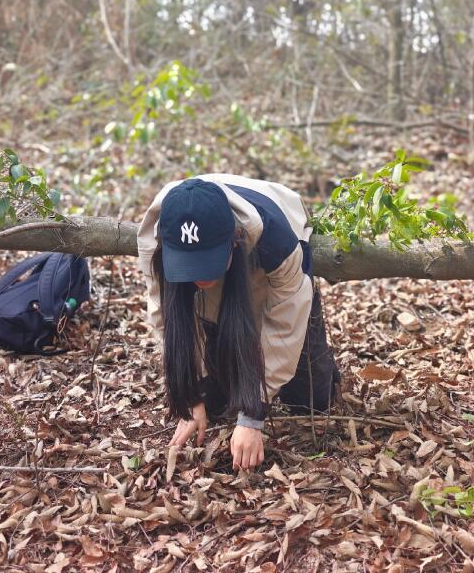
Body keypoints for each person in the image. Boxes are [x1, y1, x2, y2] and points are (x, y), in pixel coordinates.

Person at [137, 174, 339, 471]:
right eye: (188, 266)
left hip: (269, 271)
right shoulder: (153, 240)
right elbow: (166, 318)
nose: (198, 275)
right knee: (216, 403)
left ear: (233, 241)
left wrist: (252, 415)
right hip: (222, 291)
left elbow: (286, 324)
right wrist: (190, 393)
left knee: (312, 400)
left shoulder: (278, 241)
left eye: (207, 262)